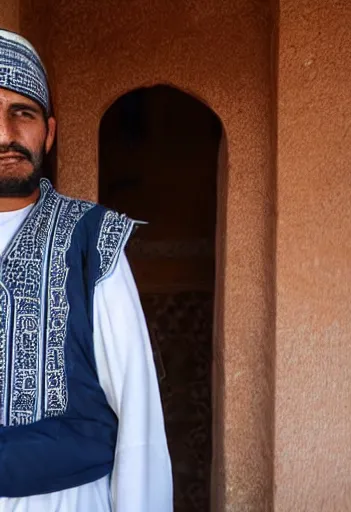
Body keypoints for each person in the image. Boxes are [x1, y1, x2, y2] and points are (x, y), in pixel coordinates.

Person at [0, 29, 173, 511]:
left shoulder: (92, 241)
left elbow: (139, 416)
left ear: (49, 132)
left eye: (22, 113)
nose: (5, 135)